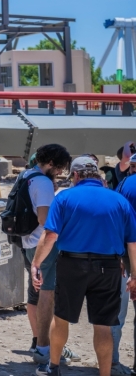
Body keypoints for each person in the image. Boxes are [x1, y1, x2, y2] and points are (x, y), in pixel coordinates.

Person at [32, 156, 136, 376]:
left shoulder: (65, 197)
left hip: (72, 264)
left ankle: (53, 368)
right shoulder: (119, 200)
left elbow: (50, 235)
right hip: (108, 268)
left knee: (61, 320)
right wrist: (134, 274)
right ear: (98, 175)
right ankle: (105, 374)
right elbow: (132, 243)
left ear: (76, 175)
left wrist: (36, 263)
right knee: (103, 325)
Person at [15, 143, 75, 366]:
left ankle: (43, 343)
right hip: (42, 244)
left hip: (27, 242)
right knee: (48, 294)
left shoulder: (26, 175)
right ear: (50, 163)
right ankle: (43, 348)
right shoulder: (43, 183)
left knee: (37, 292)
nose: (59, 172)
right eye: (59, 167)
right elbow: (44, 220)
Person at [113, 155, 136, 375]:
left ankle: (112, 361)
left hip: (119, 253)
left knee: (117, 312)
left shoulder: (122, 184)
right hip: (133, 250)